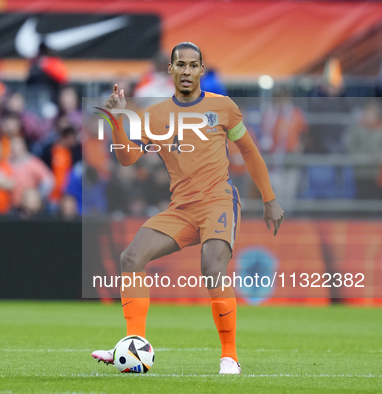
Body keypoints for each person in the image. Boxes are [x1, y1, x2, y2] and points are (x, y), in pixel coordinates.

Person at [91, 42, 284, 375]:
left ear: (201, 70)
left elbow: (250, 153)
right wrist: (116, 120)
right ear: (171, 70)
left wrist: (269, 199)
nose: (186, 71)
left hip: (218, 202)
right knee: (130, 258)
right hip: (181, 209)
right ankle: (132, 345)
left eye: (193, 65)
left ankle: (230, 356)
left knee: (212, 266)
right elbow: (126, 159)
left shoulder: (223, 108)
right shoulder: (155, 115)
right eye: (180, 65)